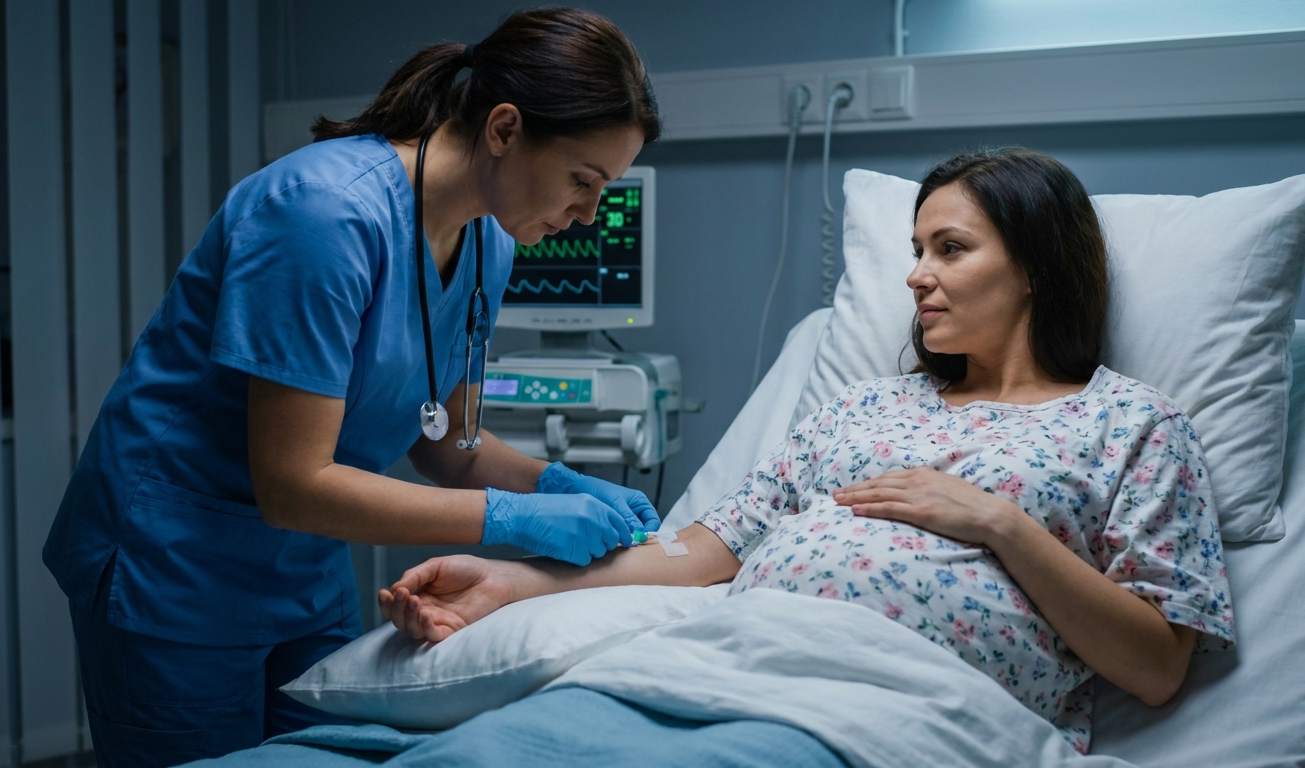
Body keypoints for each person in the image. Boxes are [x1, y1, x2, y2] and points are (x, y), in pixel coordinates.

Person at [379, 148, 1236, 756]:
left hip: (890, 712)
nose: (915, 275)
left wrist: (1002, 526)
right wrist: (515, 582)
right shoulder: (864, 407)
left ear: (1037, 267)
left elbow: (1157, 666)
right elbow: (704, 549)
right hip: (727, 665)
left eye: (950, 249)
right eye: (914, 250)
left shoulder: (1132, 425)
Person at [42, 8, 662, 766]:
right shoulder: (324, 216)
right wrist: (519, 518)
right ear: (504, 128)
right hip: (177, 562)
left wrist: (558, 481)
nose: (588, 214)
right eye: (582, 180)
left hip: (302, 568)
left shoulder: (488, 241)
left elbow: (448, 444)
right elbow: (292, 483)